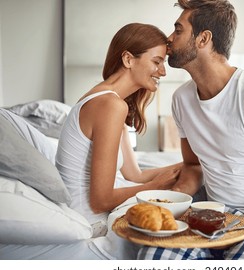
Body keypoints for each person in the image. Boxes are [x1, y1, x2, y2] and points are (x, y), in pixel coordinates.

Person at [137, 0, 244, 260]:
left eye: (178, 30)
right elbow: (193, 166)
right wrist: (171, 201)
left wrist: (234, 229)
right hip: (215, 210)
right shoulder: (181, 99)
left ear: (203, 38)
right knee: (154, 258)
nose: (169, 39)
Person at [56, 23, 182, 237]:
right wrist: (156, 186)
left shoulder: (110, 102)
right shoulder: (110, 105)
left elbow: (135, 174)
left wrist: (189, 163)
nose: (163, 71)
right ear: (128, 59)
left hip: (95, 214)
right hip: (91, 222)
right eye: (156, 62)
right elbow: (100, 201)